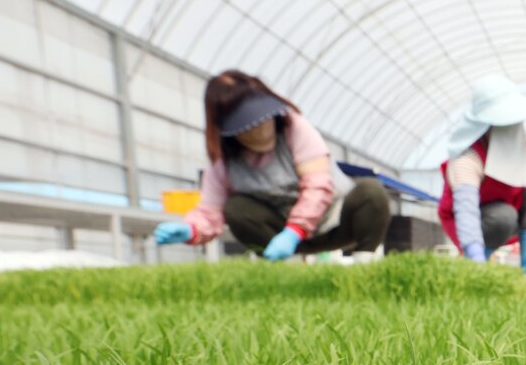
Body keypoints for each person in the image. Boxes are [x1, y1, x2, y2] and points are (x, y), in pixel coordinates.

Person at [153, 71, 391, 262]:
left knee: (371, 190)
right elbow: (211, 211)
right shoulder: (224, 160)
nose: (262, 130)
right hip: (285, 236)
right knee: (236, 208)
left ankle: (365, 262)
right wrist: (191, 230)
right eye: (249, 127)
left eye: (263, 120)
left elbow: (317, 185)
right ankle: (279, 270)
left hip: (334, 223)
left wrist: (294, 231)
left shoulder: (295, 128)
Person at [439, 76, 526, 274]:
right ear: (486, 125)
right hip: (475, 222)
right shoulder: (468, 158)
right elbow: (466, 210)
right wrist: (473, 251)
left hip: (509, 210)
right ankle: (475, 267)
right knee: (503, 216)